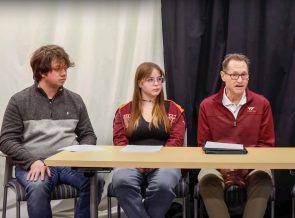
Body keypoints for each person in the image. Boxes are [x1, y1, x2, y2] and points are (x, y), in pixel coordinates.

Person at [0, 44, 104, 218]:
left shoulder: (75, 100)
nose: (64, 73)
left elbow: (88, 134)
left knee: (96, 180)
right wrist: (31, 161)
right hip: (35, 164)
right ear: (42, 72)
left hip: (69, 164)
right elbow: (6, 140)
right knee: (38, 186)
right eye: (58, 69)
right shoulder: (19, 101)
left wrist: (80, 155)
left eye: (65, 68)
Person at [197, 53, 275, 218]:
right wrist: (222, 165)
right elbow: (203, 145)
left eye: (244, 75)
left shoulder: (262, 104)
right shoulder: (207, 105)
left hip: (252, 165)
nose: (240, 80)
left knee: (264, 177)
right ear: (223, 76)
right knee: (206, 178)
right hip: (217, 165)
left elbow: (266, 144)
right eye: (234, 75)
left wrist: (245, 164)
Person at [111, 62, 186, 218]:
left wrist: (156, 161)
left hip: (166, 163)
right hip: (131, 162)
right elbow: (119, 141)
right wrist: (135, 162)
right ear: (140, 82)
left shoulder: (174, 109)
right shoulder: (124, 110)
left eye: (160, 79)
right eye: (151, 79)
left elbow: (176, 141)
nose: (157, 83)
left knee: (163, 185)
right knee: (121, 181)